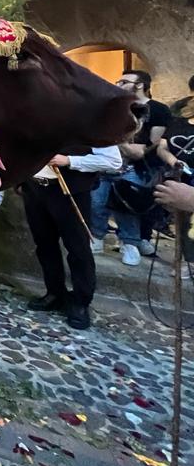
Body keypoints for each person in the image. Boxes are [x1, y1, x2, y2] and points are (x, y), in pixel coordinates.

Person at [23, 145, 122, 330]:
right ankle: (54, 292)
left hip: (70, 191)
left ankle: (80, 302)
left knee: (78, 248)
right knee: (44, 245)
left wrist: (69, 161)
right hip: (35, 188)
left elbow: (113, 161)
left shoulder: (91, 121)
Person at [91, 70, 171, 265]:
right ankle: (97, 238)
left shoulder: (158, 110)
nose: (118, 83)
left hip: (136, 168)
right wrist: (123, 144)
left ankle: (130, 243)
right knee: (96, 203)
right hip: (105, 164)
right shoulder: (114, 107)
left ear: (140, 85)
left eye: (125, 81)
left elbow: (146, 147)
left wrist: (120, 143)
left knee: (126, 207)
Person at [156, 102, 194, 279]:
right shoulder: (179, 122)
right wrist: (174, 162)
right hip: (181, 177)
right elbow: (162, 147)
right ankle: (187, 259)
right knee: (183, 222)